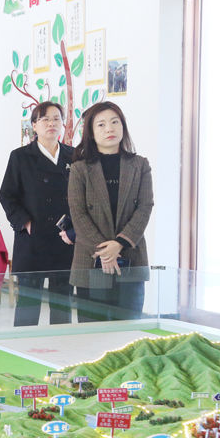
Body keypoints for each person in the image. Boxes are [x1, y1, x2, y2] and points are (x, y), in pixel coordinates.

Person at [68, 101, 154, 321]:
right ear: (91, 132)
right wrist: (106, 252)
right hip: (91, 260)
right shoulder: (79, 169)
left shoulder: (140, 165)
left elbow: (145, 206)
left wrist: (119, 244)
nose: (109, 129)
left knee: (128, 328)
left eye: (115, 122)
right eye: (101, 124)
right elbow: (78, 213)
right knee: (93, 330)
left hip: (130, 257)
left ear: (123, 126)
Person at [0, 101, 75, 326]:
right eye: (45, 119)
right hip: (33, 238)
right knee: (28, 301)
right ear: (34, 125)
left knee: (62, 300)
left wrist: (75, 227)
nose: (51, 123)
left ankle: (61, 343)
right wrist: (25, 222)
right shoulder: (20, 156)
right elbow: (7, 195)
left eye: (56, 119)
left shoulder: (73, 155)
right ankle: (23, 342)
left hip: (65, 238)